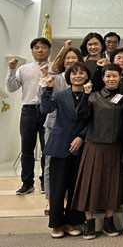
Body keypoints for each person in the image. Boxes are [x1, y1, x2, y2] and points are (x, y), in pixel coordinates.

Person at [72, 63, 123, 240]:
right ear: (102, 78)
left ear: (120, 78)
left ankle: (109, 221)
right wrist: (85, 94)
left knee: (113, 184)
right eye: (108, 76)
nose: (111, 79)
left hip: (116, 146)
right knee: (91, 184)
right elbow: (81, 115)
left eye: (114, 76)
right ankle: (89, 222)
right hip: (94, 145)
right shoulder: (93, 96)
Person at [40, 62, 90, 238]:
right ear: (69, 77)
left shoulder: (91, 95)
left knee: (76, 187)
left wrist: (81, 137)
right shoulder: (60, 95)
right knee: (58, 188)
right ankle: (56, 224)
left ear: (87, 76)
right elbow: (45, 109)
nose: (78, 76)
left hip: (81, 147)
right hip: (60, 145)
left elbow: (92, 121)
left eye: (81, 73)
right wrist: (47, 89)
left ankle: (71, 222)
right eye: (74, 73)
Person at [6, 37, 52, 195]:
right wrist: (11, 69)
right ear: (32, 51)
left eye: (44, 47)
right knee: (27, 148)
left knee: (47, 148)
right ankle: (27, 182)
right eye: (36, 47)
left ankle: (46, 181)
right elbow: (11, 87)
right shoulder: (23, 68)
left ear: (49, 50)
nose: (40, 50)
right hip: (28, 110)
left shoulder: (55, 67)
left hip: (49, 111)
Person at [41, 45, 83, 209]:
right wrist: (45, 82)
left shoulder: (83, 80)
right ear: (63, 60)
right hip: (54, 126)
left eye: (74, 58)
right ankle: (51, 200)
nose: (70, 60)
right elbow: (44, 103)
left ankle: (68, 200)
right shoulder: (55, 77)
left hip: (75, 130)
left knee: (71, 167)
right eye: (68, 58)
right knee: (50, 164)